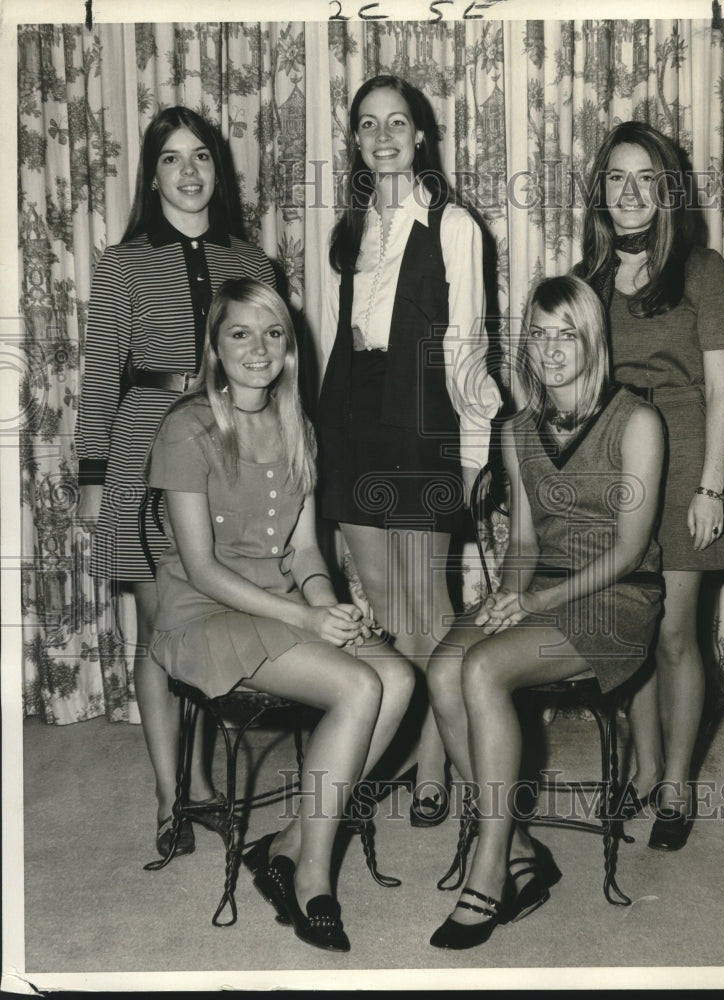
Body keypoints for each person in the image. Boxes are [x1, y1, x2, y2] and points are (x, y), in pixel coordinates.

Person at [146, 278, 415, 952]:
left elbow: (303, 551)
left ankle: (289, 842)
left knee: (401, 679)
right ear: (215, 344)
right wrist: (303, 620)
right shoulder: (188, 427)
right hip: (204, 615)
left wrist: (330, 606)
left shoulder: (299, 427)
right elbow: (202, 568)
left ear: (289, 349)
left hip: (280, 606)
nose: (258, 348)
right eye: (240, 332)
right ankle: (312, 877)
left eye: (272, 333)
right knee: (359, 686)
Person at [426, 275, 665, 949]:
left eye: (569, 334)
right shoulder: (517, 429)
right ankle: (522, 846)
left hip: (619, 598)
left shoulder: (637, 420)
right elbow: (526, 544)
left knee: (482, 673)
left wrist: (534, 601)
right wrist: (506, 600)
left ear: (594, 340)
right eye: (540, 333)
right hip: (544, 585)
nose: (553, 349)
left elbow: (630, 550)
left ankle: (490, 867)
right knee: (444, 667)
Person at [75, 107, 277, 860]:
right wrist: (95, 478)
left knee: (208, 616)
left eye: (201, 157)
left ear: (218, 171)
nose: (188, 172)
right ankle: (175, 792)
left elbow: (274, 371)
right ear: (151, 173)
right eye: (170, 158)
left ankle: (200, 780)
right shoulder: (123, 262)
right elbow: (101, 378)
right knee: (162, 631)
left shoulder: (252, 261)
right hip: (144, 448)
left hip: (227, 449)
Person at [317, 75, 501, 824]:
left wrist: (471, 457)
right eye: (369, 124)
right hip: (351, 420)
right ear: (356, 139)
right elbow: (329, 340)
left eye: (398, 123)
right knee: (387, 613)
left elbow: (469, 345)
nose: (384, 136)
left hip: (421, 419)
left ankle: (456, 779)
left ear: (420, 135)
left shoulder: (455, 225)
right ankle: (426, 753)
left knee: (427, 617)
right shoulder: (348, 227)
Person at [575, 121, 724, 850]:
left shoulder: (704, 272)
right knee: (631, 630)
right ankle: (639, 770)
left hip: (685, 465)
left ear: (667, 190)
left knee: (675, 632)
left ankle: (675, 784)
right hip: (618, 469)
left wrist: (711, 489)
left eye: (646, 177)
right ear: (600, 191)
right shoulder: (590, 280)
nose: (630, 192)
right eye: (616, 177)